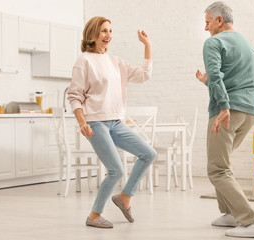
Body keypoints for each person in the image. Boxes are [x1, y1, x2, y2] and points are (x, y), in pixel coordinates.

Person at [67, 16, 156, 229]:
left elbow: (144, 75)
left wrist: (147, 45)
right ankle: (94, 215)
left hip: (115, 122)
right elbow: (74, 96)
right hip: (95, 123)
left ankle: (125, 197)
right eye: (104, 31)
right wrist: (82, 122)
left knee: (148, 153)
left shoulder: (116, 62)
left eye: (110, 31)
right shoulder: (84, 60)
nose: (108, 35)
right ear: (93, 35)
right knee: (116, 170)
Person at [195, 2, 254, 238]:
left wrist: (224, 107)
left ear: (219, 20)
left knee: (217, 169)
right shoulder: (247, 44)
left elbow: (217, 75)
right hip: (250, 111)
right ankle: (229, 213)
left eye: (208, 22)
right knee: (222, 163)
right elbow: (237, 78)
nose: (206, 28)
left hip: (227, 112)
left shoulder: (213, 43)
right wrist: (207, 81)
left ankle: (253, 222)